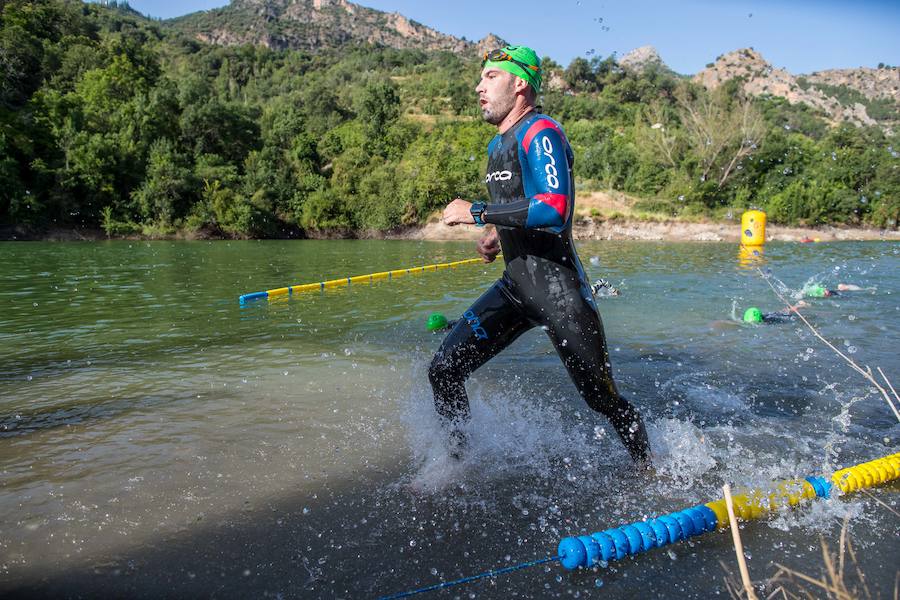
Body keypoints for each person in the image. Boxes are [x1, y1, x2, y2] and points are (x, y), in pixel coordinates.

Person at [429, 45, 651, 466]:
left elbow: (554, 208)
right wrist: (497, 234)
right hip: (516, 289)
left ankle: (651, 471)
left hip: (559, 292)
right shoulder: (498, 146)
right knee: (444, 370)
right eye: (481, 77)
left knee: (602, 400)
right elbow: (524, 205)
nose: (479, 86)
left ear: (520, 84)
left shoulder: (541, 131)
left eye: (490, 77)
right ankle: (453, 467)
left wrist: (477, 212)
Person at [742, 301, 808, 324]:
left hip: (776, 318)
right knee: (783, 311)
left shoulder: (768, 321)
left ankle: (800, 305)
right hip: (771, 315)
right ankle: (799, 305)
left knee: (788, 315)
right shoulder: (763, 316)